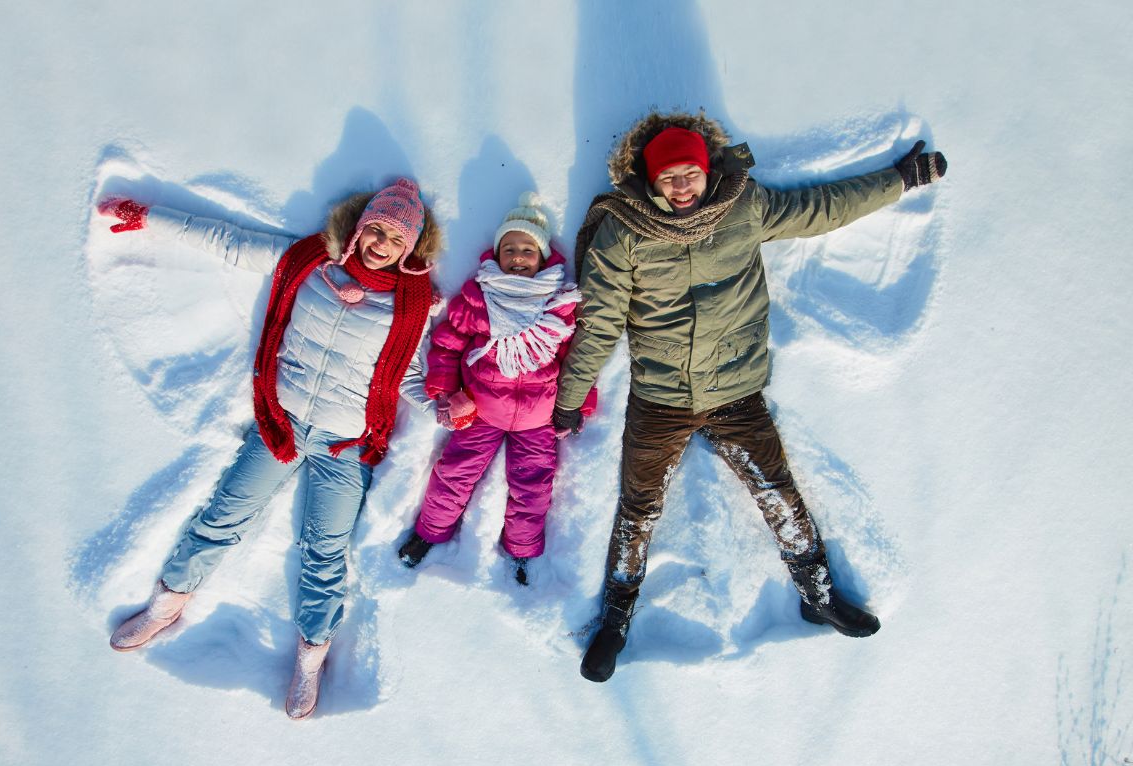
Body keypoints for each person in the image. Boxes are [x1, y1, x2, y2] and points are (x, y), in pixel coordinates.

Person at [554, 111, 947, 682]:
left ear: (707, 170)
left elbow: (822, 208)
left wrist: (901, 179)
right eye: (669, 178)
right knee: (639, 506)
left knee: (776, 490)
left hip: (735, 389)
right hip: (660, 398)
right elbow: (601, 321)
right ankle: (616, 620)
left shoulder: (742, 206)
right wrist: (572, 395)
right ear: (650, 179)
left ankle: (817, 592)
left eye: (690, 173)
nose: (682, 186)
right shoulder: (624, 231)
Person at [98, 178, 441, 717]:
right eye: (375, 228)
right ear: (358, 226)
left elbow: (411, 374)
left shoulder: (412, 306)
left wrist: (443, 407)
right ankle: (168, 603)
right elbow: (228, 241)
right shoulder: (308, 260)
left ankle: (311, 655)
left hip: (342, 444)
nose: (380, 243)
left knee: (325, 552)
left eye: (394, 239)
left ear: (411, 248)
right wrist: (149, 217)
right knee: (223, 515)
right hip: (279, 421)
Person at [396, 193, 597, 585]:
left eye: (527, 249)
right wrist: (443, 386)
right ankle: (429, 532)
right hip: (481, 409)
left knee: (532, 485)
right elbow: (449, 342)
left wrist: (580, 404)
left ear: (541, 256)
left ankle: (522, 550)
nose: (518, 256)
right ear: (497, 254)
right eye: (510, 249)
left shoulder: (558, 303)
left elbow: (577, 358)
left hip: (539, 418)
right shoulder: (478, 296)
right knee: (454, 473)